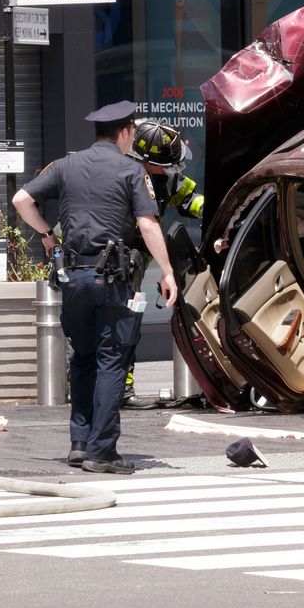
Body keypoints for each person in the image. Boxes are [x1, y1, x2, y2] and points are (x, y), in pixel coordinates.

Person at [12, 101, 179, 474]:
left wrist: (47, 234)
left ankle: (79, 442)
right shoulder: (131, 171)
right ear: (125, 132)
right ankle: (102, 452)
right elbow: (148, 224)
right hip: (113, 281)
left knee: (83, 358)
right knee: (111, 360)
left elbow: (21, 200)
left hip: (73, 280)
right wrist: (167, 272)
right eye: (133, 131)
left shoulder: (65, 164)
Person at [120, 117, 203, 407]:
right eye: (165, 164)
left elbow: (191, 201)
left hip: (131, 265)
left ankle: (121, 387)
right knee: (94, 329)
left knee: (127, 324)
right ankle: (83, 388)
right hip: (99, 263)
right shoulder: (114, 175)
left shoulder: (166, 179)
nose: (170, 169)